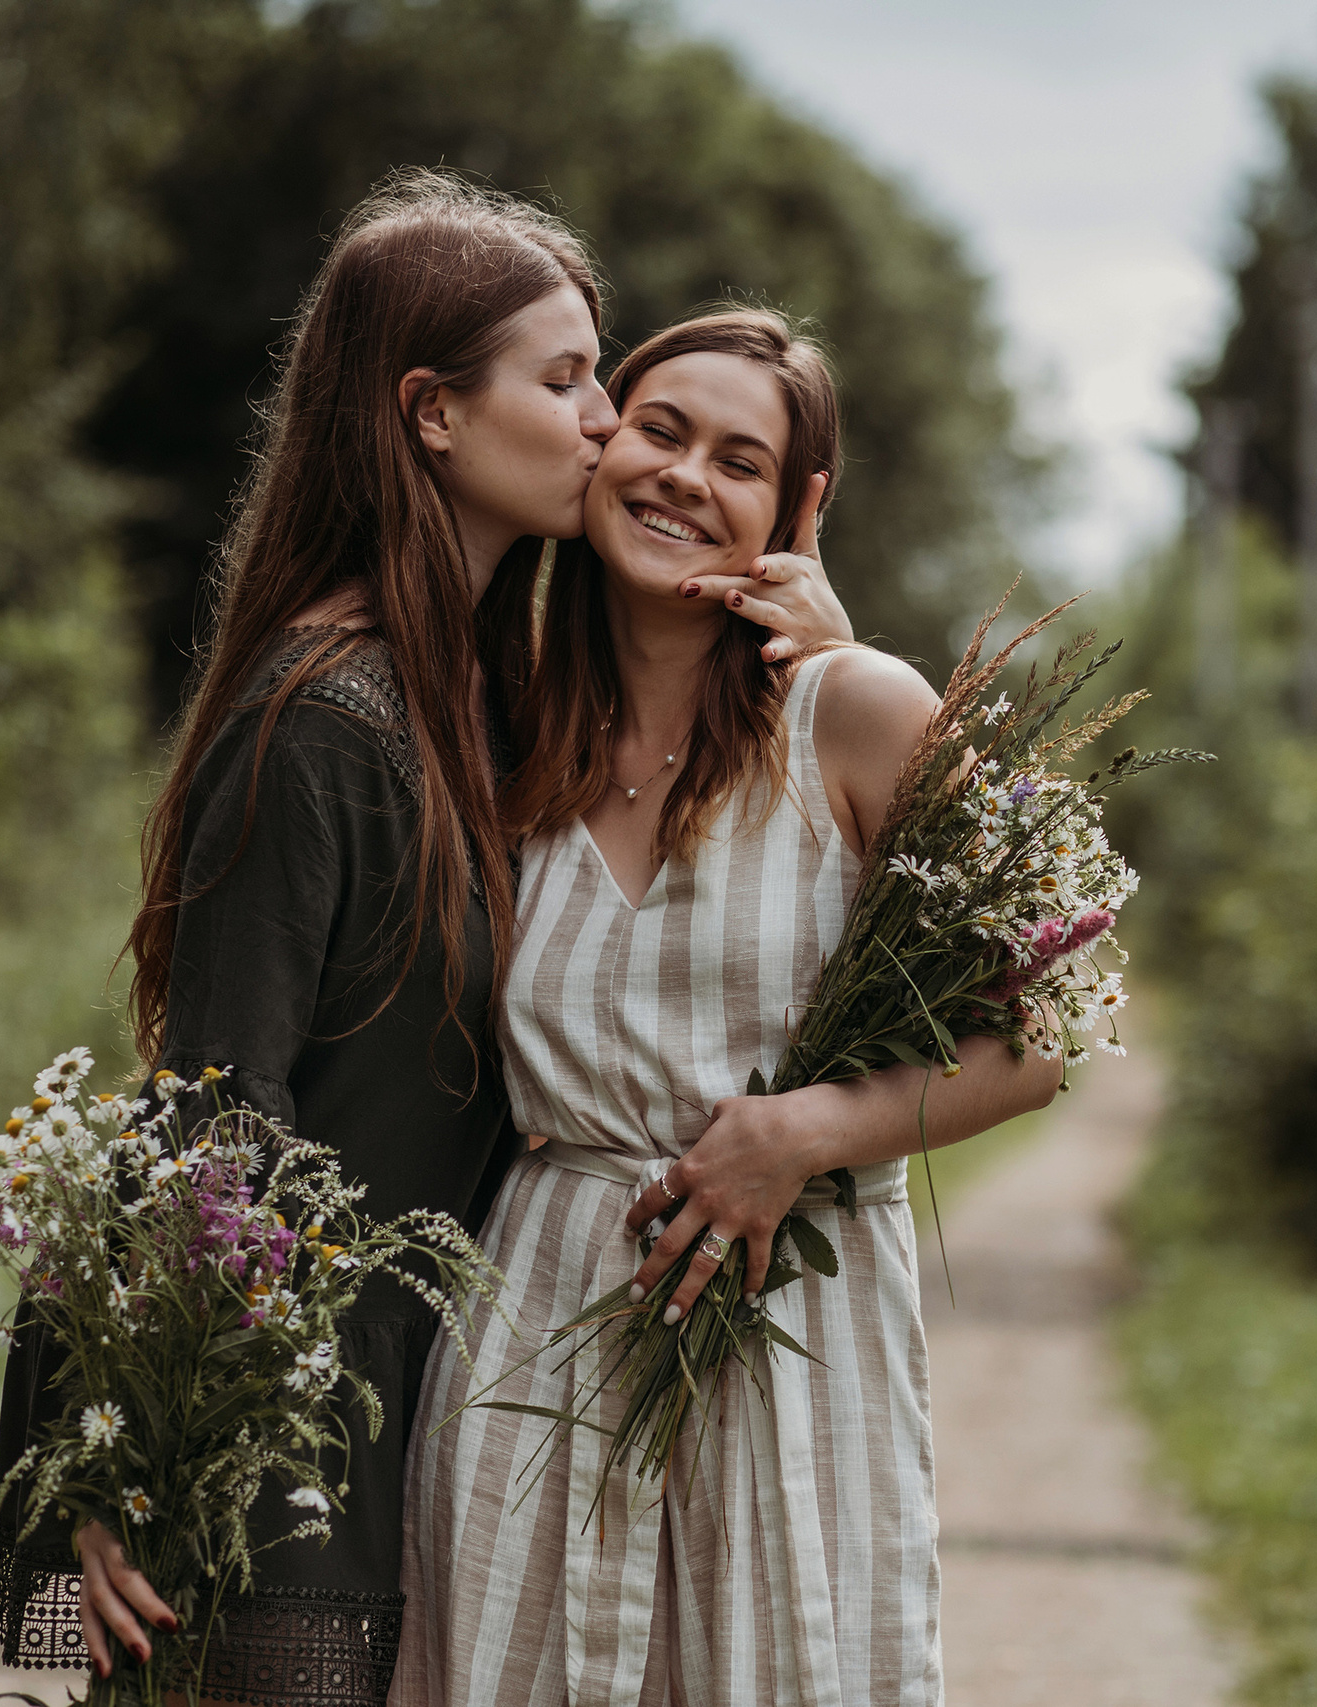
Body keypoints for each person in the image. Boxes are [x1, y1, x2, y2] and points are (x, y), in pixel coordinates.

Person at [0, 173, 856, 1706]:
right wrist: (121, 1450)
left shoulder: (478, 706)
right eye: (569, 378)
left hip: (407, 1405)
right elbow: (212, 1101)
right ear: (431, 415)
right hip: (277, 1435)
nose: (604, 422)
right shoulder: (329, 713)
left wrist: (830, 660)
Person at [395, 309, 1063, 1707]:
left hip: (787, 1347)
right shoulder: (499, 731)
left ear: (793, 509)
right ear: (598, 448)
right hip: (536, 1332)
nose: (686, 477)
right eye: (661, 430)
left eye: (739, 460)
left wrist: (808, 1130)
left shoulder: (857, 711)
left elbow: (1039, 1034)